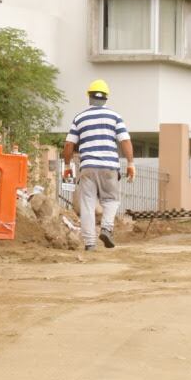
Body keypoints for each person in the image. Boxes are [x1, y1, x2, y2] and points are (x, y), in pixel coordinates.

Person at [62, 79, 135, 251]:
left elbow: (68, 145)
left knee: (87, 204)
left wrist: (67, 166)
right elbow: (125, 140)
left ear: (89, 97)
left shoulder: (79, 118)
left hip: (87, 167)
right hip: (109, 166)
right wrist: (130, 163)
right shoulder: (115, 117)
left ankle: (89, 244)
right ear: (106, 98)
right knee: (111, 200)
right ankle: (106, 228)